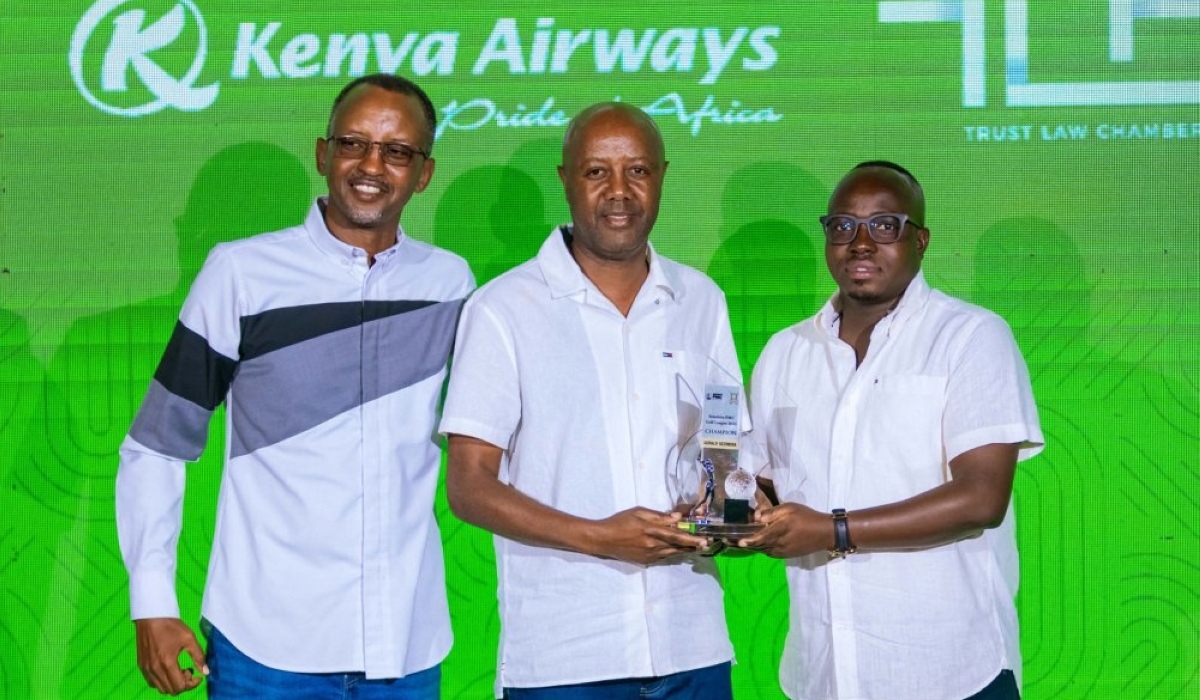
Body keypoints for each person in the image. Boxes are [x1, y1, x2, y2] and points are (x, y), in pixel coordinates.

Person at [115, 73, 475, 697]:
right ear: (322, 154)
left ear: (424, 173)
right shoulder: (243, 273)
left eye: (397, 151)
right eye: (353, 143)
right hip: (264, 649)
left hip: (408, 649)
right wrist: (151, 601)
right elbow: (158, 445)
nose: (371, 165)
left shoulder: (450, 284)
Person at [439, 103, 742, 699]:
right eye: (596, 172)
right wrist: (598, 536)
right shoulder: (502, 310)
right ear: (565, 179)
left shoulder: (701, 298)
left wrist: (727, 508)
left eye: (638, 171)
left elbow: (723, 439)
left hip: (694, 640)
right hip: (565, 655)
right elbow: (469, 486)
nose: (619, 192)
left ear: (662, 176)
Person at [740, 162, 1043, 700]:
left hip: (952, 673)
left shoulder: (971, 337)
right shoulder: (784, 353)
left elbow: (981, 499)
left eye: (885, 225)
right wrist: (740, 515)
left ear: (920, 240)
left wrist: (832, 530)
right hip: (824, 674)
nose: (860, 243)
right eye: (842, 226)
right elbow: (765, 483)